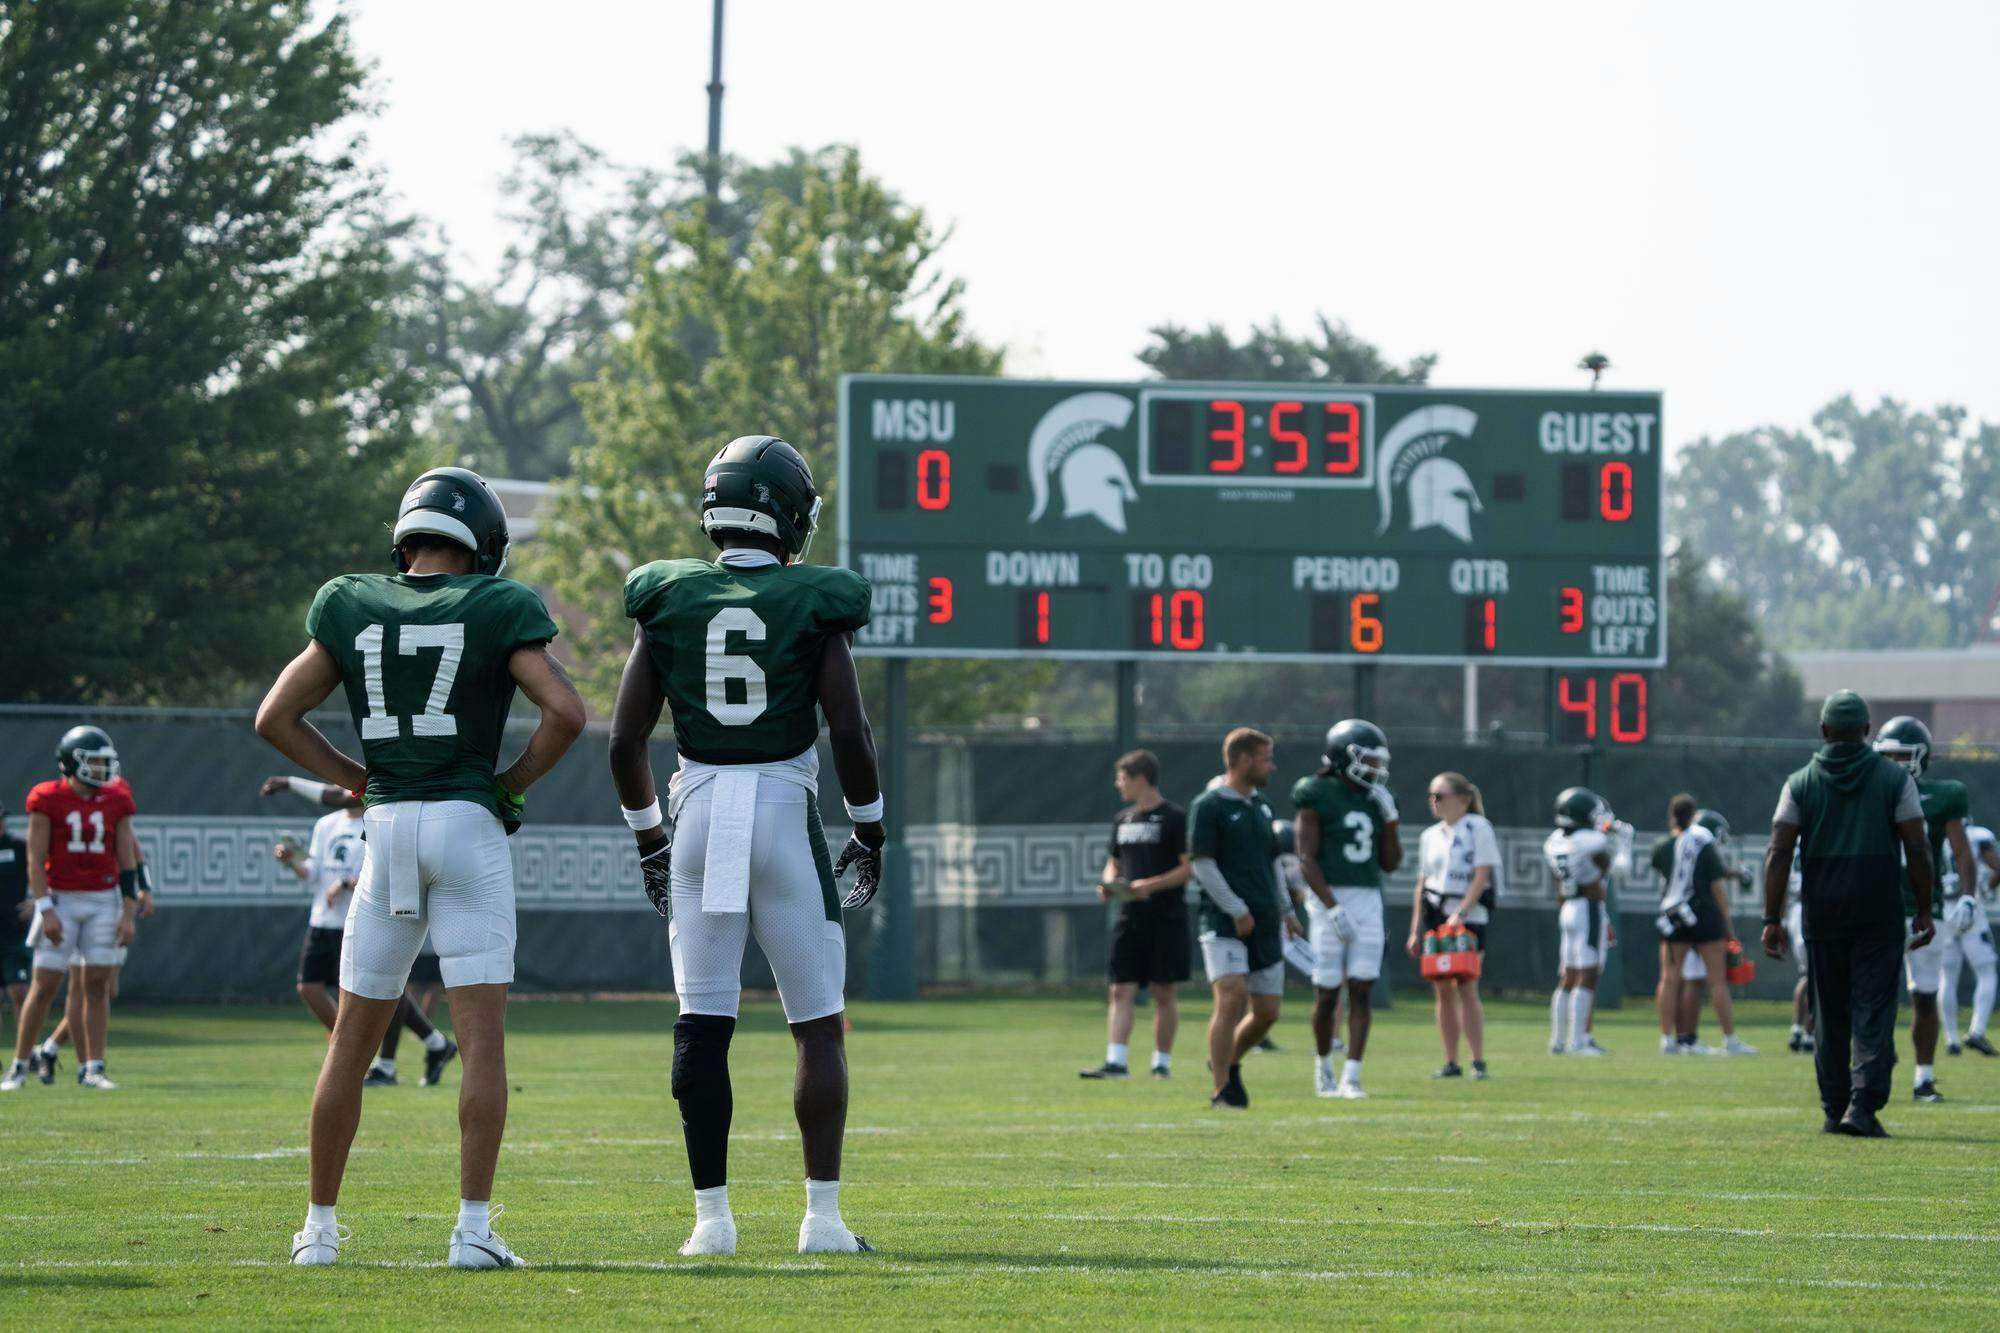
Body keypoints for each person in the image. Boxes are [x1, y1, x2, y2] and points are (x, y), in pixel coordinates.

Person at [255, 465, 585, 1266]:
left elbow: (274, 716)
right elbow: (568, 712)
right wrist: (507, 783)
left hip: (388, 824)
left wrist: (355, 777)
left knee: (350, 1044)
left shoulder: (349, 601)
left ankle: (318, 1232)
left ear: (407, 537)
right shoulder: (501, 604)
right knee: (482, 1045)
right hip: (467, 824)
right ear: (482, 547)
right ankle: (472, 1231)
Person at [607, 435, 884, 1258]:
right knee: (818, 1025)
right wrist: (870, 827)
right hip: (782, 809)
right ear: (789, 514)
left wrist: (651, 841)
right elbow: (849, 729)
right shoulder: (813, 600)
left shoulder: (668, 600)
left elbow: (625, 743)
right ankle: (823, 1220)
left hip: (696, 809)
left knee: (701, 1023)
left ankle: (711, 1224)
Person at [1762, 690, 1932, 1136]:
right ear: (1867, 731)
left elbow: (1778, 853)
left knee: (1828, 1014)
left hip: (1822, 913)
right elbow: (1917, 846)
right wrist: (1926, 909)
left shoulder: (1799, 783)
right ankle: (1862, 1107)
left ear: (1823, 731)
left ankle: (1832, 1106)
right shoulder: (1895, 781)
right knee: (1873, 1012)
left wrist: (1771, 919)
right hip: (1878, 911)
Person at [261, 775, 458, 1086]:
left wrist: (343, 884)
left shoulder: (375, 818)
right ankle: (420, 1043)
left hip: (358, 919)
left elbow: (379, 875)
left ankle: (379, 1060)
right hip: (323, 920)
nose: (341, 791)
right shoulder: (326, 825)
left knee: (384, 989)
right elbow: (314, 874)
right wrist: (292, 862)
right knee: (309, 987)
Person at [4, 727, 140, 1092]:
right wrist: (45, 908)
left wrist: (128, 911)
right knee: (44, 984)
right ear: (71, 762)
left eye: (103, 761)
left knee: (96, 984)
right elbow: (35, 859)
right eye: (94, 762)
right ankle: (18, 1065)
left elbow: (126, 857)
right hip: (61, 897)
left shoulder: (117, 797)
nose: (101, 769)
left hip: (102, 898)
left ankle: (93, 1067)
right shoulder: (46, 797)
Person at [1292, 719, 1400, 1100]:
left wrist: (1390, 821)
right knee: (1326, 992)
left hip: (1368, 898)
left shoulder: (1376, 800)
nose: (1374, 768)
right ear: (1343, 757)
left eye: (1377, 760)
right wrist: (1332, 907)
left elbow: (1390, 863)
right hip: (1327, 899)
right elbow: (1306, 858)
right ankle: (1323, 1067)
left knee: (1362, 989)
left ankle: (1351, 1077)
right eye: (1367, 759)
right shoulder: (1315, 792)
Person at [1189, 728, 1296, 1110]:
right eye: (1266, 758)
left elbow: (1273, 864)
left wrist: (1287, 910)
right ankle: (1222, 1088)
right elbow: (1203, 865)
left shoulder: (1262, 806)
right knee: (1231, 993)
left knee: (1267, 1012)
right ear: (1244, 760)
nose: (1273, 766)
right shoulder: (1210, 805)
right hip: (1223, 921)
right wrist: (1236, 909)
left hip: (1265, 920)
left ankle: (1227, 1059)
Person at [1872, 716, 1974, 1102]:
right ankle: (1873, 1069)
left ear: (1921, 757)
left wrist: (1967, 894)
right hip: (1878, 907)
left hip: (1923, 910)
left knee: (1925, 995)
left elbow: (1961, 849)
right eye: (1888, 754)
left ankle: (1923, 1078)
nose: (1894, 762)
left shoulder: (1943, 795)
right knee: (1872, 995)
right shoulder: (1868, 793)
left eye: (1902, 754)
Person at [1081, 750, 1191, 1080]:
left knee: (1163, 992)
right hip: (1129, 916)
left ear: (1140, 778)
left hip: (1165, 916)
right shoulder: (1123, 820)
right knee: (1120, 989)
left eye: (1122, 778)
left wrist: (1150, 885)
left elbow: (1188, 869)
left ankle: (1161, 1063)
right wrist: (1109, 883)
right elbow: (1114, 861)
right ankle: (1116, 1062)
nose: (1118, 785)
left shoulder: (1174, 817)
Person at [1409, 772, 1499, 1079]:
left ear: (1463, 799)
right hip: (1436, 914)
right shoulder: (1430, 836)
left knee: (1466, 984)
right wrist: (1415, 928)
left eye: (1440, 796)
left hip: (1469, 915)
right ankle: (1451, 1061)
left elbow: (1482, 873)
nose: (1434, 802)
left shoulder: (1478, 827)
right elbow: (1422, 884)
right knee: (1441, 989)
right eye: (1432, 796)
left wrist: (1462, 912)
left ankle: (1478, 1060)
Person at [1650, 799, 1755, 1056]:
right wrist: (1727, 926)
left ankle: (1667, 1040)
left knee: (1669, 978)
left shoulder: (1663, 846)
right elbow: (1715, 886)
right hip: (1705, 916)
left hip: (1674, 915)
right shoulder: (1705, 844)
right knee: (1717, 981)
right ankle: (1730, 1040)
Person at [1545, 787, 1613, 1056]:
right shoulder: (1589, 840)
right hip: (1588, 909)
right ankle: (1578, 1041)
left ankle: (1558, 1040)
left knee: (1567, 977)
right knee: (1588, 976)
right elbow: (1616, 865)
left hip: (1568, 907)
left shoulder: (1553, 840)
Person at [1941, 824, 1999, 1056]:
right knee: (1987, 972)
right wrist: (1987, 887)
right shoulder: (1975, 835)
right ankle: (1976, 1031)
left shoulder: (1928, 833)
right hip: (1968, 907)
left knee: (1946, 976)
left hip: (1942, 910)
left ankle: (1951, 1039)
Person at [1, 803, 30, 1031]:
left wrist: (36, 902)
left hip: (14, 932)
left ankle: (25, 1054)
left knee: (20, 991)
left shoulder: (20, 847)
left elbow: (47, 872)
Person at [1784, 852, 1816, 1054]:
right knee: (1819, 979)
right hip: (1812, 908)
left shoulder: (1790, 838)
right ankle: (1810, 1035)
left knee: (1808, 976)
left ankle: (1797, 1029)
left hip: (1795, 911)